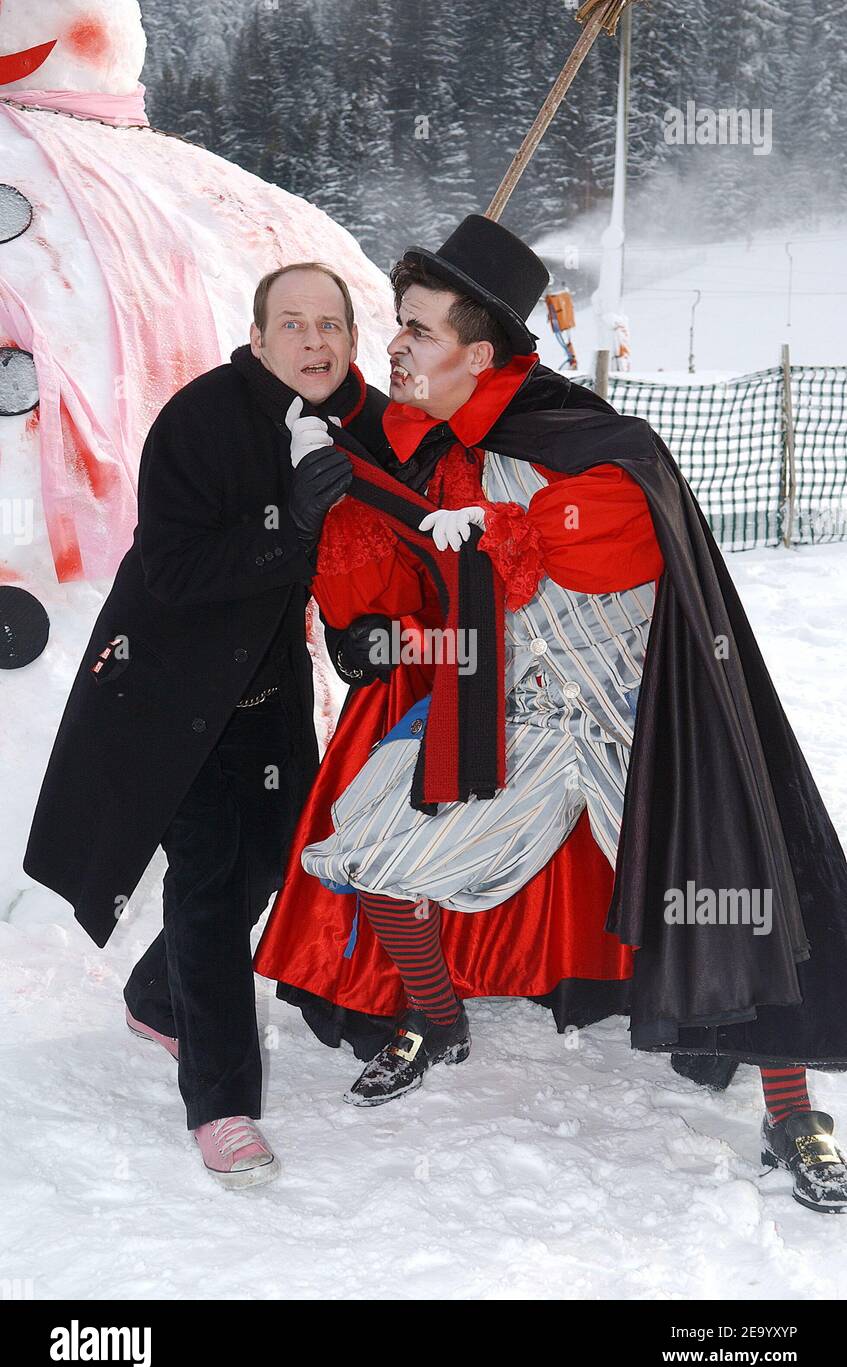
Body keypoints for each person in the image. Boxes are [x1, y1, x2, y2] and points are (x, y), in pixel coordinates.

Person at [257, 217, 847, 1215]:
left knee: (734, 900)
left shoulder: (584, 438)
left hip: (640, 728)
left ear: (478, 354)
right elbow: (399, 586)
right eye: (396, 324)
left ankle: (789, 1107)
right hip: (518, 722)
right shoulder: (442, 451)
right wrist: (341, 516)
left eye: (418, 330)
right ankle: (436, 1018)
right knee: (370, 850)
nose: (392, 344)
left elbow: (609, 537)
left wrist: (496, 528)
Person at [23, 262, 389, 1188]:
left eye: (330, 325)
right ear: (257, 336)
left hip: (269, 699)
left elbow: (374, 549)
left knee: (276, 857)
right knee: (211, 891)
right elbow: (176, 573)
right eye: (292, 324)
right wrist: (287, 525)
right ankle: (220, 1103)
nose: (314, 342)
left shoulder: (362, 423)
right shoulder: (199, 421)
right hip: (174, 701)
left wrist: (363, 633)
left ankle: (157, 995)